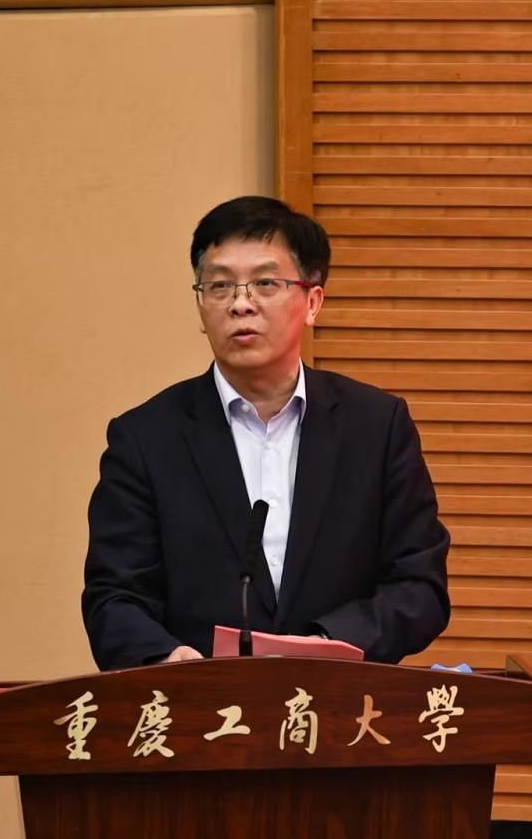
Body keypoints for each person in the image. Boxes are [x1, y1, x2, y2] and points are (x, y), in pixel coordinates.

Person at [81, 196, 450, 671]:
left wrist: (325, 645)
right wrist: (165, 658)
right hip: (203, 704)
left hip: (341, 700)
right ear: (200, 306)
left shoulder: (376, 426)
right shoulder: (145, 439)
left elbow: (419, 587)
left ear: (312, 301)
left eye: (265, 283)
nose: (240, 304)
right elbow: (113, 596)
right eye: (219, 286)